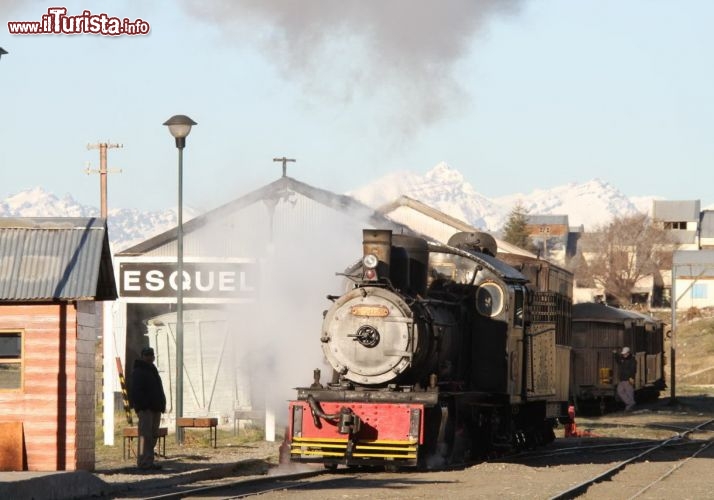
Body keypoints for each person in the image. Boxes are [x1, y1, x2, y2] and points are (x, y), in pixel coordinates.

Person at [130, 346, 167, 470]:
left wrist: (161, 404)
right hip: (146, 409)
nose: (150, 357)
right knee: (143, 436)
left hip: (155, 408)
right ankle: (142, 462)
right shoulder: (139, 371)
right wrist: (142, 406)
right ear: (142, 356)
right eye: (147, 354)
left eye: (151, 354)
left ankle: (149, 461)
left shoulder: (152, 370)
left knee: (152, 435)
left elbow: (158, 389)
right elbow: (136, 391)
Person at [616, 346, 637, 412]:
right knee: (620, 391)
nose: (624, 355)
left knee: (629, 393)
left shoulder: (632, 360)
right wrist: (615, 354)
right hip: (622, 379)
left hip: (628, 379)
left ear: (628, 353)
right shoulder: (623, 359)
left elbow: (633, 370)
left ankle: (629, 407)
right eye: (623, 354)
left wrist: (631, 377)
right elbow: (618, 361)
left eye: (625, 353)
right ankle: (630, 403)